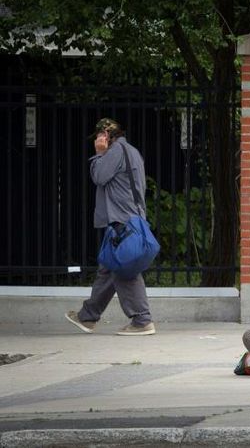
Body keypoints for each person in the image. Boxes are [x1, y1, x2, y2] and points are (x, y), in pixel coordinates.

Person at [64, 118, 155, 336]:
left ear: (105, 135)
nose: (95, 141)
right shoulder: (131, 151)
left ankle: (142, 320)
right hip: (130, 217)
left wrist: (100, 152)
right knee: (109, 268)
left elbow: (99, 176)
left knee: (124, 270)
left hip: (122, 219)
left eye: (98, 136)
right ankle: (88, 316)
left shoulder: (114, 152)